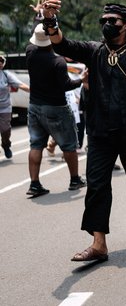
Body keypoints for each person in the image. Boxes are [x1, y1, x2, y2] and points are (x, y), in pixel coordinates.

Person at [39, 0, 126, 262]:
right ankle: (99, 244)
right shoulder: (94, 50)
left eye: (112, 21)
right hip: (100, 130)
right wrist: (50, 20)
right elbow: (62, 44)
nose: (107, 24)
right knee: (97, 184)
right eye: (104, 21)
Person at [25, 23, 85, 197]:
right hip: (56, 107)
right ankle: (75, 179)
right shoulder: (57, 61)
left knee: (36, 145)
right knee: (68, 145)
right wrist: (81, 80)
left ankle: (34, 184)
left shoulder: (30, 52)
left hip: (34, 106)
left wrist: (40, 16)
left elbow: (36, 36)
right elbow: (66, 85)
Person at [0, 52, 30, 159]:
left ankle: (6, 145)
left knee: (5, 130)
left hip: (5, 107)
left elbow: (20, 84)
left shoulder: (6, 75)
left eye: (1, 61)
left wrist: (34, 90)